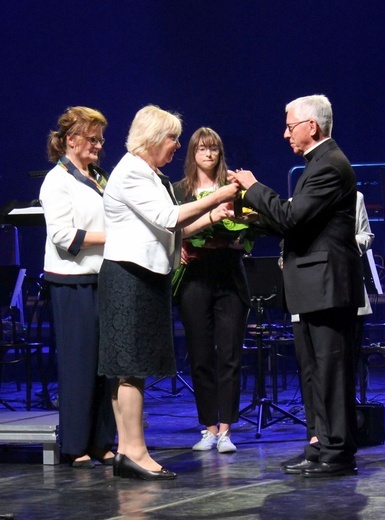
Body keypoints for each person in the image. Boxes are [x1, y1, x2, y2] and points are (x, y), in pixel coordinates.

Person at [98, 106, 239, 481]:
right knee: (129, 367)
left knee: (132, 368)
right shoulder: (132, 172)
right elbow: (167, 218)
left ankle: (129, 451)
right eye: (173, 138)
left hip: (142, 276)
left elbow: (170, 231)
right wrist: (217, 194)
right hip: (129, 277)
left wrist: (212, 215)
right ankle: (134, 451)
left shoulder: (148, 174)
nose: (178, 145)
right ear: (152, 138)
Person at [229, 95, 365, 478]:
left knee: (330, 371)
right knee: (312, 371)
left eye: (290, 125)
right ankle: (319, 443)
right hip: (311, 285)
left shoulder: (330, 167)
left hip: (327, 285)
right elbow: (295, 223)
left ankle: (338, 451)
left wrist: (254, 187)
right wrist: (247, 216)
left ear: (312, 126)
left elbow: (291, 216)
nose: (285, 132)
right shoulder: (317, 166)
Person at [173, 127, 259, 453]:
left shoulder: (232, 188)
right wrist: (179, 243)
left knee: (230, 354)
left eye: (214, 149)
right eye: (202, 149)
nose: (208, 155)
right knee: (200, 354)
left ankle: (226, 430)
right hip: (195, 276)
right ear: (193, 153)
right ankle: (208, 426)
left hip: (229, 275)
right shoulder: (181, 190)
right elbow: (171, 228)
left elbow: (250, 228)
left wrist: (239, 233)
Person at [39, 106, 116, 468]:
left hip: (102, 278)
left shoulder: (98, 176)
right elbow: (63, 236)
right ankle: (75, 444)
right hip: (72, 284)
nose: (99, 145)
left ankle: (102, 440)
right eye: (92, 139)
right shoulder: (57, 180)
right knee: (79, 365)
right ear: (71, 140)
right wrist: (113, 237)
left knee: (105, 366)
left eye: (101, 139)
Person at [291, 190, 375, 446]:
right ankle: (315, 434)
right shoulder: (297, 202)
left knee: (341, 370)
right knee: (309, 371)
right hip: (305, 293)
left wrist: (339, 243)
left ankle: (340, 436)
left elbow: (366, 236)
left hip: (343, 291)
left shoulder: (354, 197)